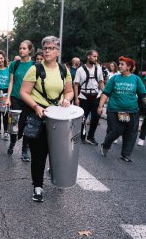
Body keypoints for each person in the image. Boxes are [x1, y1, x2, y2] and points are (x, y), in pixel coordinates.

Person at [20, 36, 73, 202]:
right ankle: (37, 187)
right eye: (45, 48)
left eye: (51, 48)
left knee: (58, 152)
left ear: (58, 51)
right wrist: (36, 107)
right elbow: (24, 92)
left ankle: (57, 177)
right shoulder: (35, 69)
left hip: (58, 119)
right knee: (39, 154)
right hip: (39, 117)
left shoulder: (64, 70)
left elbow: (69, 91)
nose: (47, 51)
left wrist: (67, 99)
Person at [98, 56, 146, 162]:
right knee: (116, 130)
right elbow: (106, 93)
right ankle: (105, 145)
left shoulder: (136, 79)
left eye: (122, 64)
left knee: (131, 133)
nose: (119, 66)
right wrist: (100, 106)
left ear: (128, 67)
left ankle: (125, 154)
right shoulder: (114, 78)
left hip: (132, 111)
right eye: (119, 64)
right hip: (114, 110)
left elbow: (143, 95)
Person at [6, 40, 34, 161]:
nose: (21, 50)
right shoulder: (14, 64)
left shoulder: (34, 65)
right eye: (20, 48)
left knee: (27, 125)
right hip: (15, 98)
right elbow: (11, 82)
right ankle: (13, 142)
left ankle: (25, 150)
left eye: (24, 48)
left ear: (29, 50)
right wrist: (8, 98)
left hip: (28, 100)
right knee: (14, 125)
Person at [74, 50, 105, 145]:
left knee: (96, 118)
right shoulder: (80, 70)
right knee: (83, 119)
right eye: (94, 56)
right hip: (84, 96)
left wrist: (105, 93)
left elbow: (101, 82)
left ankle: (91, 136)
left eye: (97, 57)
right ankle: (82, 136)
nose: (96, 58)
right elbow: (76, 84)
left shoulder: (99, 69)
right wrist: (76, 99)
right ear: (88, 56)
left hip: (96, 96)